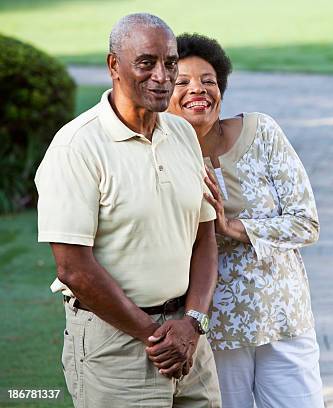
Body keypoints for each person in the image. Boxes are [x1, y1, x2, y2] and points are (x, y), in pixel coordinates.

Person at [35, 14, 221, 407]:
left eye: (170, 63)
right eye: (146, 62)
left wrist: (192, 325)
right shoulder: (76, 148)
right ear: (113, 66)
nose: (162, 75)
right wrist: (154, 336)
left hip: (189, 342)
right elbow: (73, 269)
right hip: (116, 347)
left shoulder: (183, 133)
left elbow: (205, 239)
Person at [167, 33, 324, 408]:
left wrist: (234, 228)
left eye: (208, 81)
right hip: (216, 327)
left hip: (283, 317)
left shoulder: (262, 132)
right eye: (182, 82)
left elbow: (306, 222)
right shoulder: (164, 155)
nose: (198, 90)